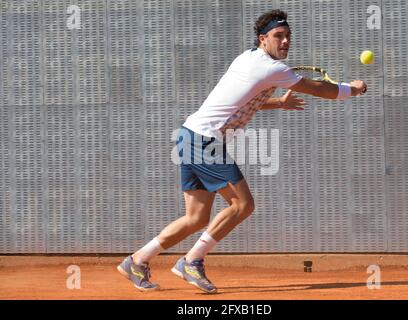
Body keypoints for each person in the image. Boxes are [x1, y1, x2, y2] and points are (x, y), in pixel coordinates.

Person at [117, 9, 367, 294]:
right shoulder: (273, 69)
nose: (285, 41)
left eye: (288, 36)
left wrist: (279, 104)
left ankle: (137, 261)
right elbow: (320, 90)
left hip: (189, 135)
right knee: (243, 205)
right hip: (205, 141)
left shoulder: (248, 58)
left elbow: (243, 101)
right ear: (263, 39)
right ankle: (192, 261)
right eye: (278, 36)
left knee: (196, 218)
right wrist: (353, 89)